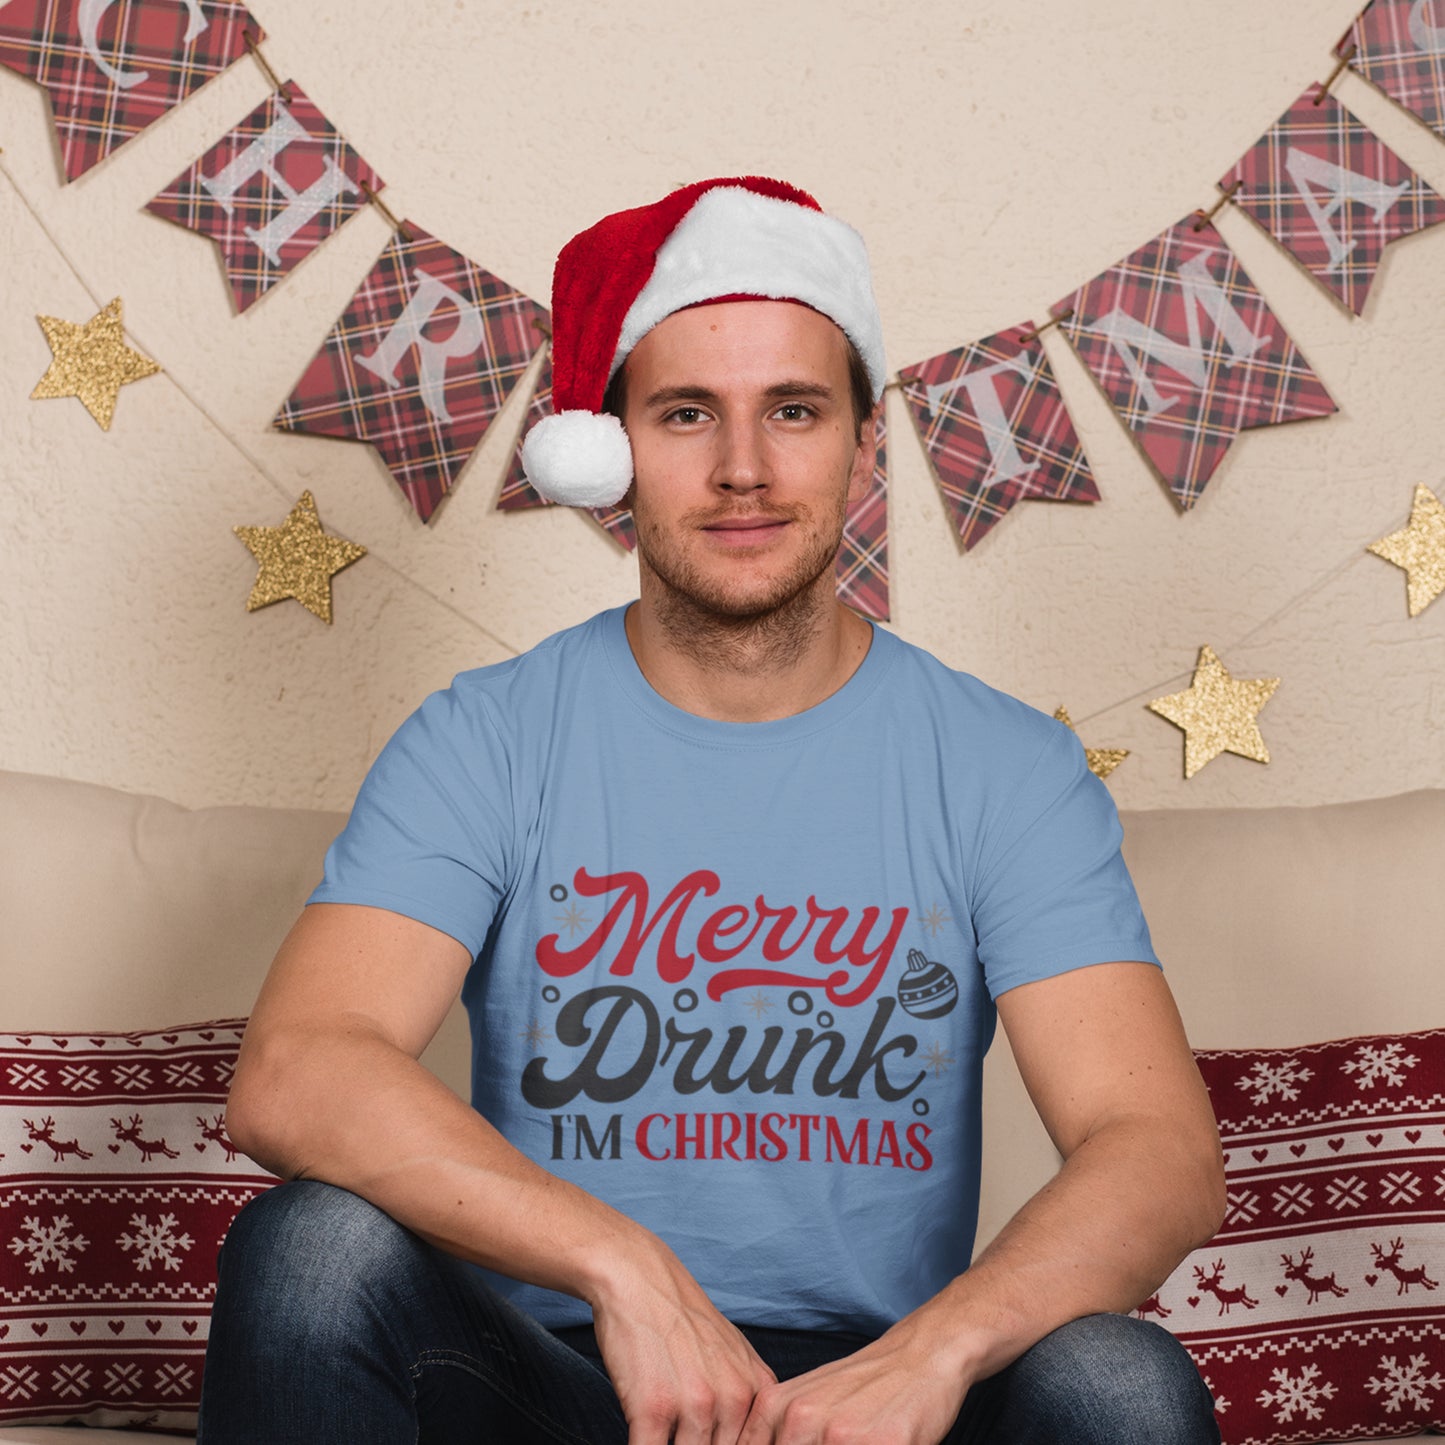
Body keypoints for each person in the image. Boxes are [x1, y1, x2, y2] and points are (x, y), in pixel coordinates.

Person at [200, 176, 1225, 1445]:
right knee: (310, 1249)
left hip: (876, 1403)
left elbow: (1157, 1148)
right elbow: (296, 1068)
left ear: (863, 442)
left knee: (1120, 1382)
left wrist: (937, 1350)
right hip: (567, 1381)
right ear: (613, 447)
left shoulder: (1003, 765)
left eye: (792, 409)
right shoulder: (486, 737)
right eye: (686, 413)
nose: (743, 468)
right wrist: (623, 1268)